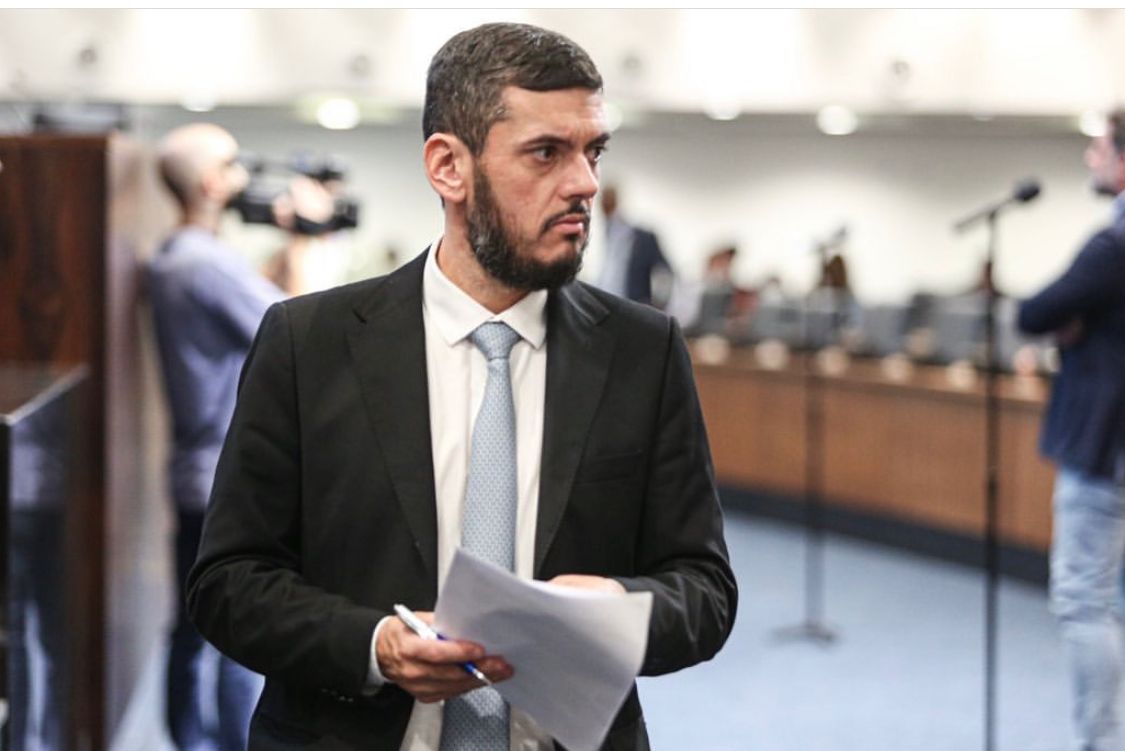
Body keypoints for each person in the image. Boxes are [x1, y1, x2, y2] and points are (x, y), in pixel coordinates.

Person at [185, 22, 737, 751]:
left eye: (593, 151)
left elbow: (704, 590)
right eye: (546, 152)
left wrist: (620, 605)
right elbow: (228, 583)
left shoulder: (643, 351)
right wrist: (374, 645)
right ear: (449, 166)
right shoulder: (307, 343)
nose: (584, 183)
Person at [148, 123, 280, 751]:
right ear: (209, 182)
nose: (243, 176)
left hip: (199, 472)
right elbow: (292, 330)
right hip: (218, 479)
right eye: (232, 165)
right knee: (232, 634)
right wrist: (306, 238)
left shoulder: (180, 255)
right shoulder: (202, 262)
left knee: (198, 630)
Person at [1018, 109, 1125, 751]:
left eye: (1099, 147)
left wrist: (1078, 323)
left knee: (1085, 599)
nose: (1090, 157)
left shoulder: (1113, 246)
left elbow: (1035, 311)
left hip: (1107, 448)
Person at [595, 184, 673, 307]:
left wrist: (658, 305)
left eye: (607, 200)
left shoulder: (642, 237)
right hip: (607, 304)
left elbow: (665, 271)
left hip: (633, 304)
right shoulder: (606, 233)